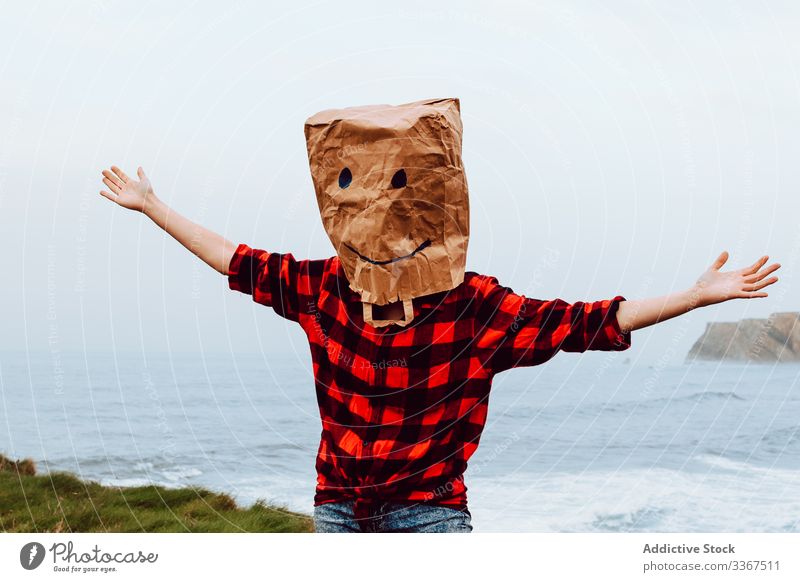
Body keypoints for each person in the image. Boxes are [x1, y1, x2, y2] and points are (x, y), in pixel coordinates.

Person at [99, 101, 779, 533]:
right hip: (337, 512)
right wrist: (154, 206)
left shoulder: (474, 309)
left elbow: (591, 321)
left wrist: (694, 297)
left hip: (430, 519)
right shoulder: (324, 289)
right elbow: (233, 258)